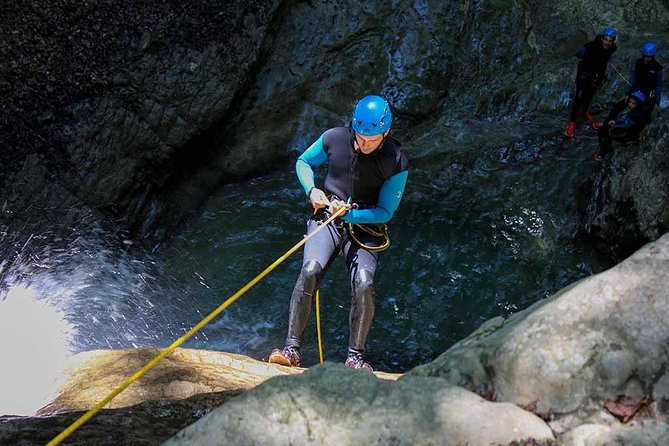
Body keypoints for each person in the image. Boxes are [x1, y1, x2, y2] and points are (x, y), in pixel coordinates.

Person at [268, 95, 409, 371]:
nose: (365, 143)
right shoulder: (334, 138)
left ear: (387, 132)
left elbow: (385, 211)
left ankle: (355, 358)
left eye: (373, 138)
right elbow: (303, 163)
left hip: (366, 226)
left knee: (365, 282)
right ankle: (291, 350)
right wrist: (312, 191)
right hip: (328, 218)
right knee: (310, 270)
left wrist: (351, 214)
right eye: (360, 136)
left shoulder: (396, 161)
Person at [564, 27, 618, 138]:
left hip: (598, 73)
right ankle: (572, 123)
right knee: (580, 94)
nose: (607, 43)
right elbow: (579, 54)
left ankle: (584, 111)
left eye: (610, 40)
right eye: (606, 40)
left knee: (590, 92)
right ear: (602, 38)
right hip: (585, 71)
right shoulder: (590, 46)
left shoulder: (612, 48)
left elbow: (608, 55)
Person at [595, 41, 663, 130]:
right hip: (636, 91)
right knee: (618, 106)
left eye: (648, 57)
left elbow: (658, 86)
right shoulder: (638, 63)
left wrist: (657, 103)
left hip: (648, 95)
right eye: (645, 56)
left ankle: (636, 132)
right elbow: (633, 79)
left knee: (643, 115)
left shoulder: (657, 68)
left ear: (653, 56)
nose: (646, 59)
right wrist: (627, 93)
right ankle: (607, 123)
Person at [593, 90, 648, 162]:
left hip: (628, 135)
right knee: (605, 128)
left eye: (633, 103)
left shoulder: (636, 114)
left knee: (603, 131)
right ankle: (607, 148)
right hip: (629, 131)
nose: (630, 104)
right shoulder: (637, 111)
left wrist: (614, 123)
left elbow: (625, 125)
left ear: (638, 104)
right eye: (630, 102)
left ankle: (603, 153)